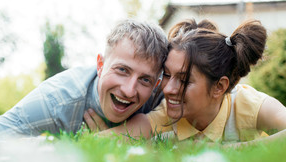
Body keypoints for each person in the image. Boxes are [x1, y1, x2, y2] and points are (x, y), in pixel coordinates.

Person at [0, 19, 168, 152]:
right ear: (100, 65)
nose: (130, 90)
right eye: (122, 70)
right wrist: (64, 150)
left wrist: (120, 139)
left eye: (145, 80)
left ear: (156, 83)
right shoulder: (55, 101)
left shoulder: (161, 97)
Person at [90, 19, 286, 146]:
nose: (168, 89)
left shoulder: (247, 104)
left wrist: (230, 151)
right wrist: (103, 138)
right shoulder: (168, 114)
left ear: (219, 87)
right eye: (167, 75)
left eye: (184, 80)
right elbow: (111, 139)